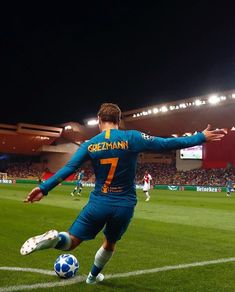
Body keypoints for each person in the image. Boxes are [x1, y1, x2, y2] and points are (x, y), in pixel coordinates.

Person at [20, 103, 227, 285]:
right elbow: (166, 144)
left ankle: (55, 240)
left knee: (72, 240)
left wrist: (44, 188)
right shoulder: (133, 137)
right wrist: (201, 137)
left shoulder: (90, 144)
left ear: (99, 120)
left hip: (98, 202)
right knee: (110, 243)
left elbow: (69, 169)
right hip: (124, 205)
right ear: (119, 120)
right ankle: (93, 277)